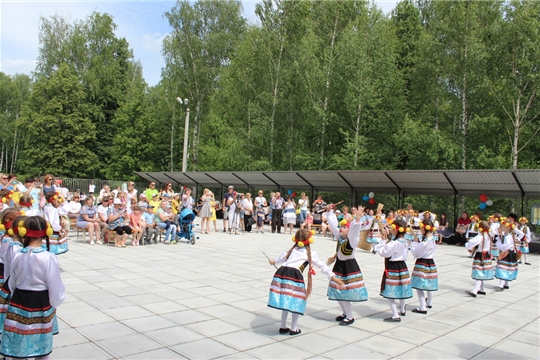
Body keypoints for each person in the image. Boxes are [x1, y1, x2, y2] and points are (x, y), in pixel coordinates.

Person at [0, 215, 65, 359]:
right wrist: (55, 302)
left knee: (19, 339)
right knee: (41, 344)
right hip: (40, 301)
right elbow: (55, 285)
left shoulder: (18, 255)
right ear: (45, 233)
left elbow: (12, 282)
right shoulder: (48, 257)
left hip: (19, 300)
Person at [267, 228, 344, 335]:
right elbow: (322, 265)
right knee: (297, 301)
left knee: (286, 299)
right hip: (294, 276)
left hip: (281, 273)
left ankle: (283, 326)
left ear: (296, 239)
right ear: (310, 240)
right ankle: (294, 328)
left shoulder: (293, 250)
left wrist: (273, 261)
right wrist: (333, 277)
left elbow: (281, 257)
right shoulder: (310, 253)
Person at [325, 205, 369, 325]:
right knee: (336, 290)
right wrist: (330, 212)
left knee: (345, 292)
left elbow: (354, 231)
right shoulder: (339, 237)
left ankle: (350, 316)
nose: (341, 229)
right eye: (342, 226)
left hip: (349, 267)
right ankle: (345, 313)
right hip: (339, 266)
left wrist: (358, 219)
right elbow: (334, 226)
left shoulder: (352, 240)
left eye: (344, 227)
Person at [375, 219, 413, 322]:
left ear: (396, 230)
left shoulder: (394, 243)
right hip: (402, 266)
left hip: (394, 267)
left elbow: (384, 252)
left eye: (392, 228)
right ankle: (402, 309)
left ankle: (395, 315)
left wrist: (381, 242)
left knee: (390, 291)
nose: (391, 230)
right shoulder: (405, 241)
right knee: (401, 289)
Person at [410, 219, 438, 314]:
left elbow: (416, 253)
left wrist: (414, 244)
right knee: (429, 283)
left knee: (419, 286)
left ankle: (422, 307)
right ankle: (429, 302)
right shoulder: (433, 239)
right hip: (431, 263)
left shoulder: (424, 242)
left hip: (422, 263)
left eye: (421, 228)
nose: (420, 229)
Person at [465, 221, 494, 297]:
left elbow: (471, 242)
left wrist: (467, 245)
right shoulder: (487, 235)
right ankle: (482, 289)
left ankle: (474, 291)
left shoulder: (480, 236)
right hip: (486, 255)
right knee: (481, 272)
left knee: (479, 273)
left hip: (481, 255)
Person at [493, 220, 524, 292]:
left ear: (508, 228)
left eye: (503, 226)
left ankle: (501, 285)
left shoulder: (508, 237)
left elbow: (505, 247)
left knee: (503, 268)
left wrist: (499, 244)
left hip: (506, 254)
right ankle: (506, 284)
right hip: (509, 253)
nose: (501, 227)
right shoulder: (508, 235)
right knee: (507, 268)